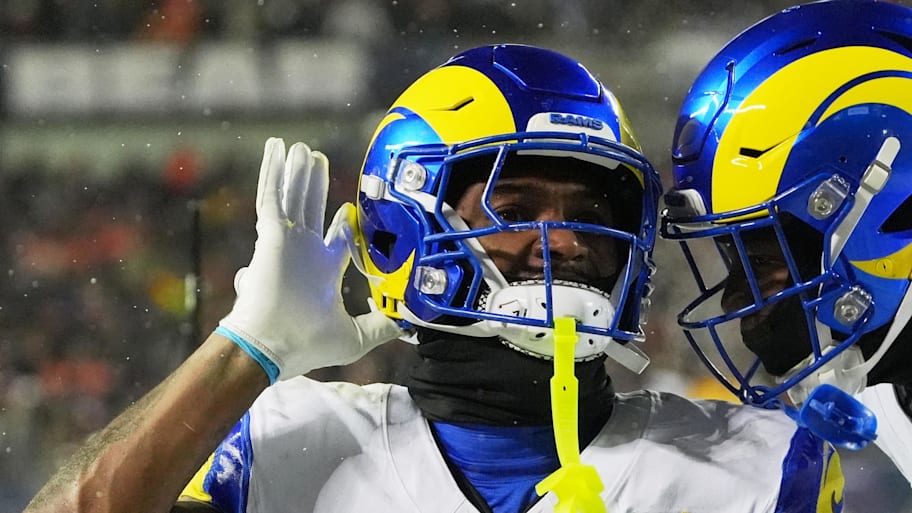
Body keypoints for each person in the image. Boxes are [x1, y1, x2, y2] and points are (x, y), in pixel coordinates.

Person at [24, 44, 843, 513]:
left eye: (590, 210)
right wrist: (243, 349)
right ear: (403, 228)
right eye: (515, 206)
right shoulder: (280, 441)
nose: (564, 239)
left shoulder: (759, 466)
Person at [660, 0, 912, 482]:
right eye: (735, 260)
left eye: (762, 258)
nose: (736, 300)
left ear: (894, 209)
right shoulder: (885, 398)